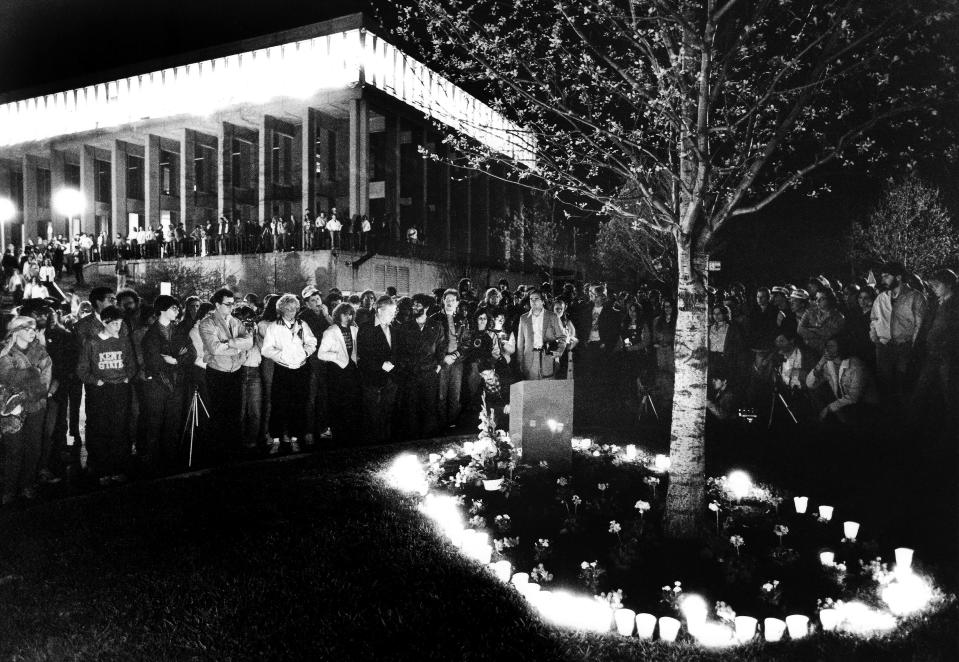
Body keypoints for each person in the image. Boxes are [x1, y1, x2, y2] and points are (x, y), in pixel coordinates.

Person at [76, 306, 136, 485]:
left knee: (120, 428)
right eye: (114, 323)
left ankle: (117, 468)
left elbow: (131, 364)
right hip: (100, 391)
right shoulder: (92, 342)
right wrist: (96, 381)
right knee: (100, 427)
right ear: (104, 322)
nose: (117, 326)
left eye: (120, 323)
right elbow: (82, 369)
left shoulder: (124, 341)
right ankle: (100, 469)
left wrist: (127, 377)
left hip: (120, 389)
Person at [0, 316, 52, 504]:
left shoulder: (40, 352)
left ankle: (27, 485)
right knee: (14, 449)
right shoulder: (5, 352)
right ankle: (9, 489)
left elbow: (44, 383)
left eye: (34, 328)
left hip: (35, 407)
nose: (33, 332)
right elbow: (6, 377)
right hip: (11, 411)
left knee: (33, 448)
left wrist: (26, 390)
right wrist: (32, 374)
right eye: (28, 328)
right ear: (16, 331)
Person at [198, 288, 253, 460]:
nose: (231, 307)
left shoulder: (236, 321)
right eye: (227, 304)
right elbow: (214, 348)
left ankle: (233, 449)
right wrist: (238, 347)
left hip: (235, 371)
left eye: (233, 304)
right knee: (219, 412)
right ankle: (218, 452)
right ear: (217, 304)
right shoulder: (207, 323)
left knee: (235, 412)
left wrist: (229, 343)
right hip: (217, 373)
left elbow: (249, 341)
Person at [140, 295, 190, 475]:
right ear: (162, 309)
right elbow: (153, 361)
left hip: (177, 383)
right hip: (158, 385)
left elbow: (188, 353)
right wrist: (175, 359)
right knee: (155, 423)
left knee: (173, 423)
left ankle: (170, 461)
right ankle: (153, 463)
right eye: (173, 308)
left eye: (177, 308)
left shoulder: (178, 331)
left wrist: (173, 360)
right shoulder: (151, 335)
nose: (177, 311)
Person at [261, 294, 316, 453]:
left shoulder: (302, 324)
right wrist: (282, 356)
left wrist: (304, 354)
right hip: (282, 369)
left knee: (299, 404)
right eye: (288, 309)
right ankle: (276, 440)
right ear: (281, 309)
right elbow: (266, 350)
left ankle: (294, 438)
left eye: (294, 308)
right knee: (279, 404)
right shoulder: (274, 326)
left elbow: (312, 342)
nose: (291, 312)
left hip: (301, 369)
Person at [870, 261, 927, 402]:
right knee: (885, 386)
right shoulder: (881, 298)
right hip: (883, 348)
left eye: (886, 276)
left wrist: (911, 347)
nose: (883, 280)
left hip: (904, 348)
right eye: (882, 276)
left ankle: (903, 419)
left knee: (903, 387)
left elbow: (919, 326)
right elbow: (873, 319)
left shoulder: (916, 297)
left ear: (899, 277)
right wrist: (875, 338)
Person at [805, 334, 879, 432]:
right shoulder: (829, 365)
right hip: (846, 406)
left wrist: (828, 408)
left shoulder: (855, 365)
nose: (827, 349)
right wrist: (820, 364)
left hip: (866, 406)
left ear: (841, 347)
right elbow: (811, 384)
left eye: (831, 346)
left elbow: (854, 397)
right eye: (826, 346)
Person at [318, 302, 362, 445]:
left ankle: (349, 433)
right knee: (337, 403)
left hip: (352, 371)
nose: (348, 317)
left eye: (350, 314)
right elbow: (321, 354)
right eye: (345, 314)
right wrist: (337, 357)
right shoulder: (330, 331)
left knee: (351, 402)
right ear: (338, 315)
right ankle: (338, 433)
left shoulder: (355, 329)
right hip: (337, 372)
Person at [357, 295, 399, 444]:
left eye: (394, 312)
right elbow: (363, 354)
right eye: (390, 312)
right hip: (372, 378)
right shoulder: (366, 328)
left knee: (387, 412)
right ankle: (372, 446)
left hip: (390, 379)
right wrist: (380, 364)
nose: (393, 316)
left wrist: (393, 364)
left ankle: (385, 443)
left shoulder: (393, 328)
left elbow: (396, 351)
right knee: (372, 414)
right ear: (380, 311)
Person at [430, 289, 470, 429]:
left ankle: (453, 425)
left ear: (457, 303)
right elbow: (431, 344)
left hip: (457, 363)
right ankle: (440, 426)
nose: (450, 302)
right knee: (440, 396)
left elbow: (466, 342)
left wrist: (456, 355)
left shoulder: (462, 320)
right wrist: (442, 358)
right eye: (447, 300)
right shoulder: (435, 319)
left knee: (455, 395)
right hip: (441, 363)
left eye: (453, 300)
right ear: (443, 301)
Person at [516, 289, 567, 381]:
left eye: (536, 299)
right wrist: (520, 360)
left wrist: (559, 351)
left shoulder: (552, 316)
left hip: (547, 357)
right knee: (533, 390)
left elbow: (562, 337)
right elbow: (520, 343)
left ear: (543, 301)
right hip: (529, 359)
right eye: (531, 299)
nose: (533, 301)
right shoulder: (523, 318)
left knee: (547, 389)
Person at [798, 288, 846, 358]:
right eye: (816, 298)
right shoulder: (810, 311)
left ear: (830, 300)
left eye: (822, 299)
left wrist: (812, 330)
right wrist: (819, 333)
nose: (817, 301)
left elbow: (829, 336)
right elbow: (800, 330)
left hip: (827, 353)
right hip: (809, 350)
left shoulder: (839, 317)